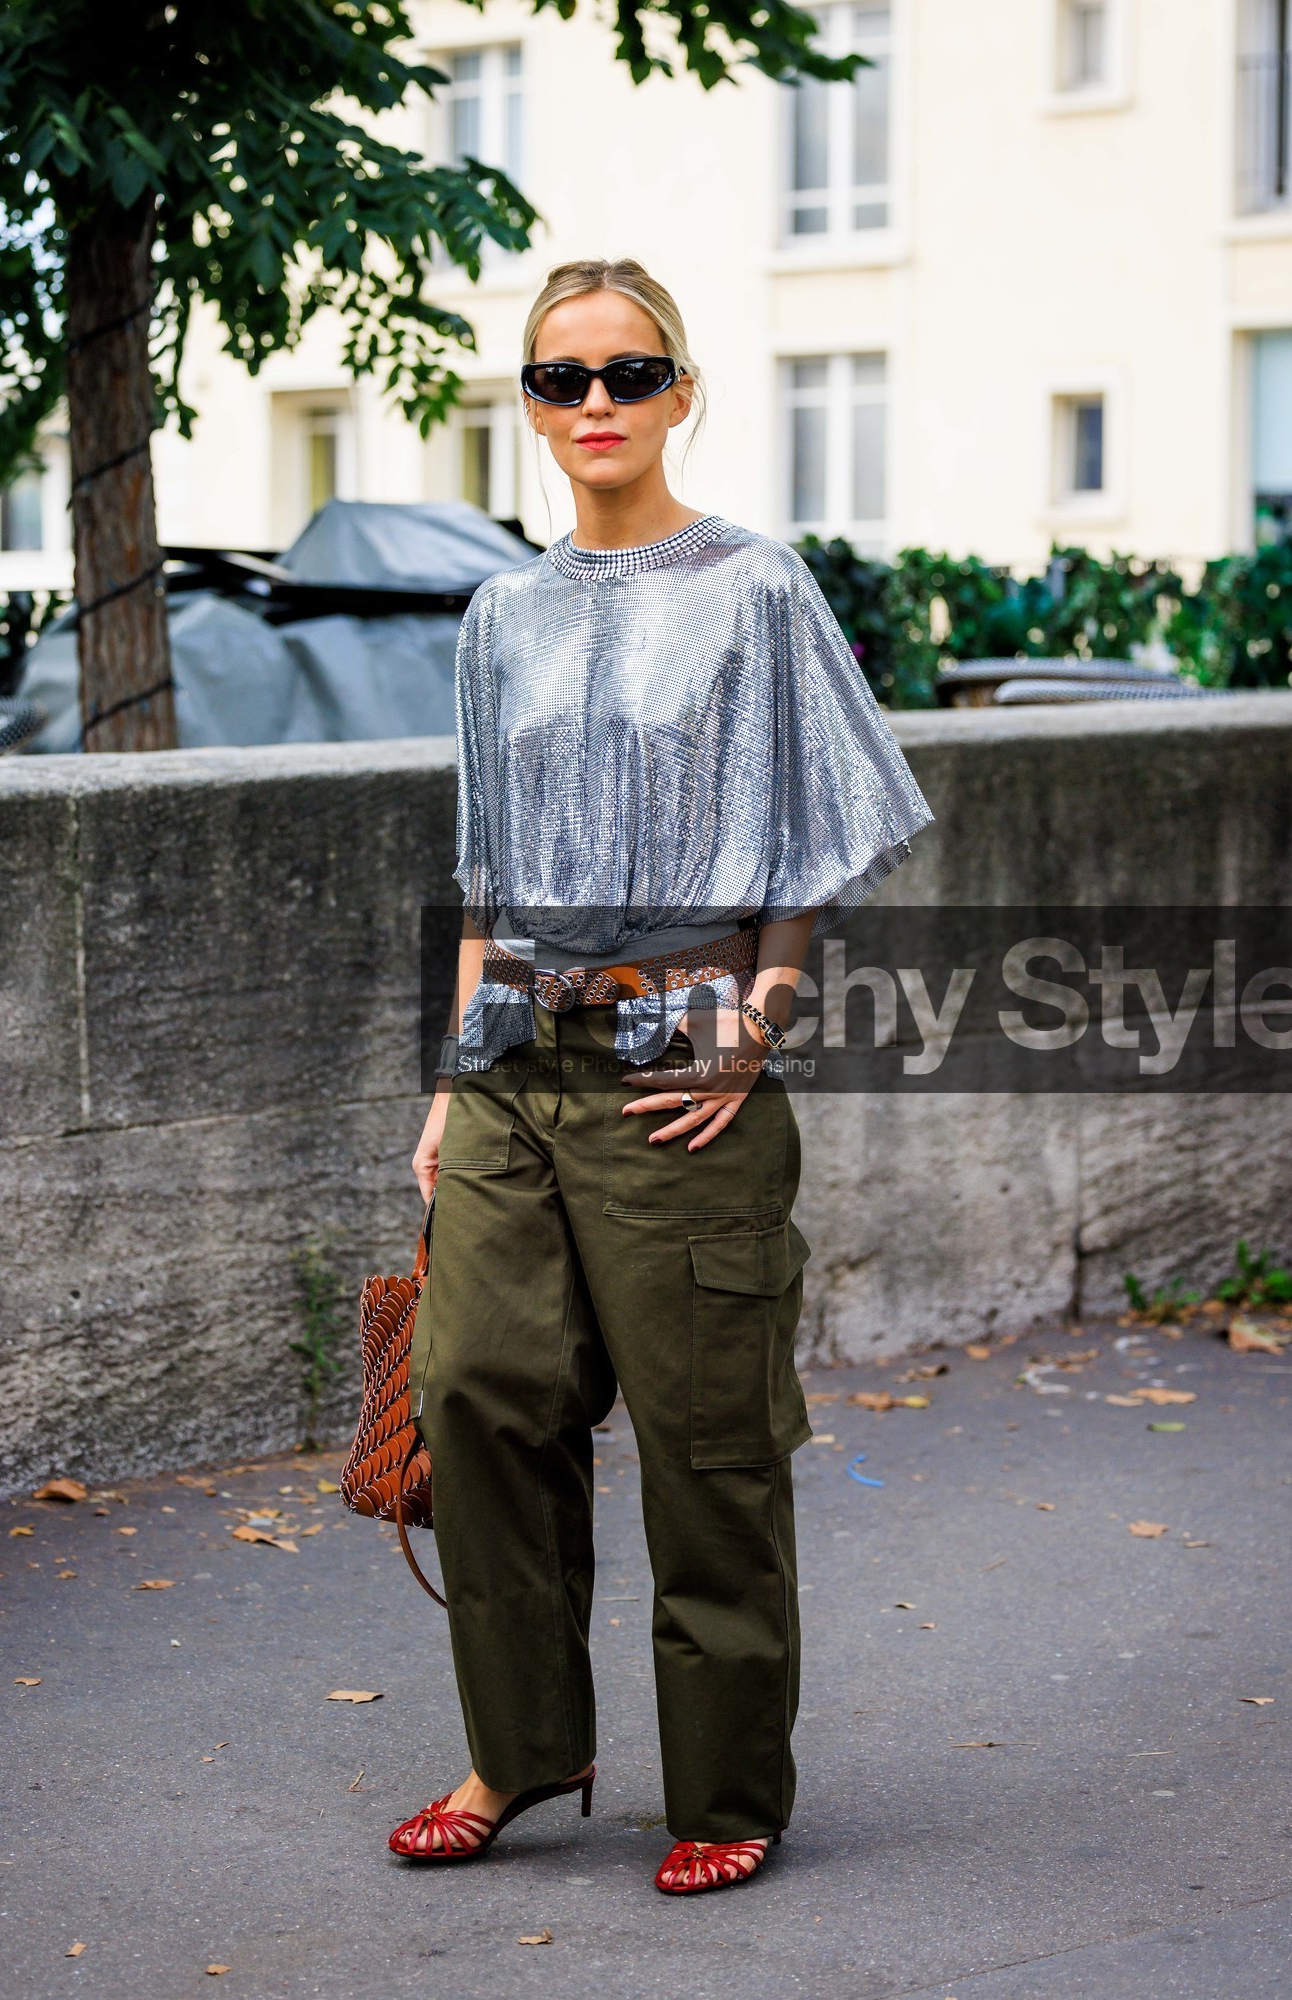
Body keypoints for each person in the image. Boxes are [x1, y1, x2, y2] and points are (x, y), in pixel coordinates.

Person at [388, 257, 933, 1896]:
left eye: (630, 373)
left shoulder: (759, 590)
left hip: (676, 1047)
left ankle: (726, 1790)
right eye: (563, 380)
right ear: (534, 407)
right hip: (513, 1060)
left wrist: (756, 1021)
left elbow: (815, 831)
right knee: (475, 1391)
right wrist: (447, 1076)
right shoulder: (500, 615)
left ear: (682, 390)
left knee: (706, 1437)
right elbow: (485, 869)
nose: (598, 404)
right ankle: (522, 1745)